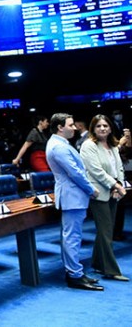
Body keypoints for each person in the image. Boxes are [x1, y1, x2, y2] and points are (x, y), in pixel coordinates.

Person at [45, 112, 103, 291]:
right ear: (60, 127)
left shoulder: (59, 143)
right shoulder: (58, 147)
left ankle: (75, 271)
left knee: (72, 236)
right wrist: (90, 189)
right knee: (72, 237)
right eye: (70, 125)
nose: (75, 127)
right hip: (72, 196)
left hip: (73, 196)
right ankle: (74, 275)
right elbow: (75, 172)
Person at [80, 115, 128, 281]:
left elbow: (119, 168)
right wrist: (116, 185)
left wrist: (118, 183)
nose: (102, 129)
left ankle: (98, 264)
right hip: (98, 193)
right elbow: (96, 171)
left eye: (105, 126)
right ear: (93, 128)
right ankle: (111, 270)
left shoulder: (113, 145)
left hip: (113, 192)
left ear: (110, 128)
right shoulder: (88, 145)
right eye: (99, 126)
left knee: (105, 231)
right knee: (106, 232)